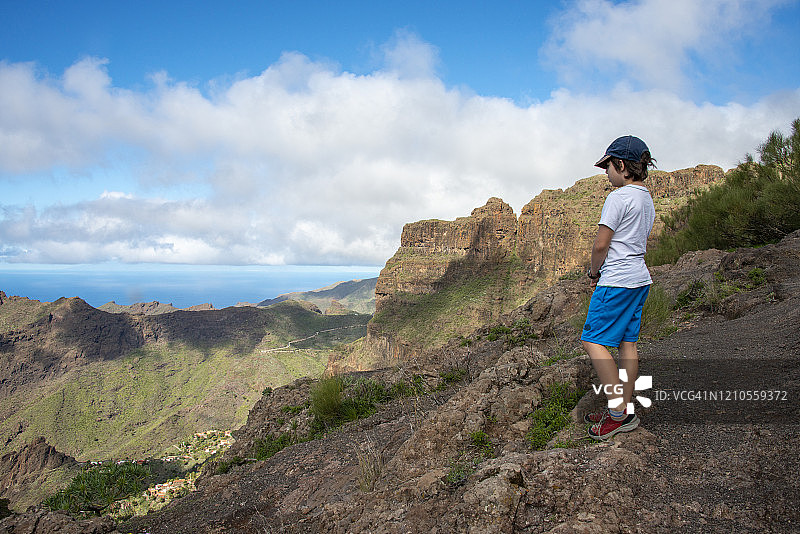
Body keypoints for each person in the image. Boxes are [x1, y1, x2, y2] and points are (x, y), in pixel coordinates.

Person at [581, 135, 656, 440]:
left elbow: (601, 244)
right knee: (627, 343)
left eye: (608, 167)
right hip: (639, 278)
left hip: (617, 280)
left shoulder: (618, 198)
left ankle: (616, 414)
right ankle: (624, 408)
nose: (607, 173)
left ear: (622, 166)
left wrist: (593, 273)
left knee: (592, 341)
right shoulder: (646, 199)